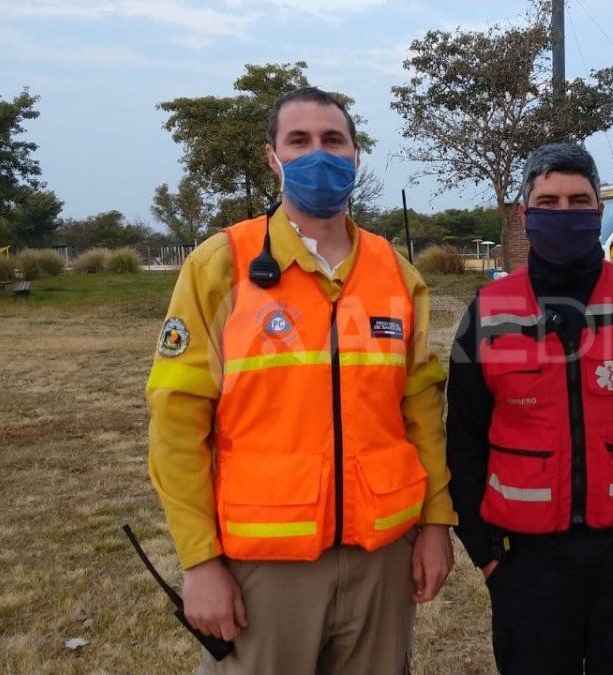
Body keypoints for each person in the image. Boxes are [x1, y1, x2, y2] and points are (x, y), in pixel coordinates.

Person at [146, 87, 456, 674]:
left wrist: (437, 523)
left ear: (356, 155)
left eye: (333, 140)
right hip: (265, 564)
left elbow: (421, 411)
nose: (319, 154)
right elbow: (176, 423)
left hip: (382, 556)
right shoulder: (220, 265)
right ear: (273, 158)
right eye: (299, 141)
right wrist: (200, 561)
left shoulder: (396, 273)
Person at [446, 142, 613, 674]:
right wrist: (485, 553)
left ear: (598, 210)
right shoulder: (489, 310)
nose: (563, 212)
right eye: (549, 201)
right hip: (527, 563)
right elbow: (464, 438)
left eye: (578, 201)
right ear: (525, 214)